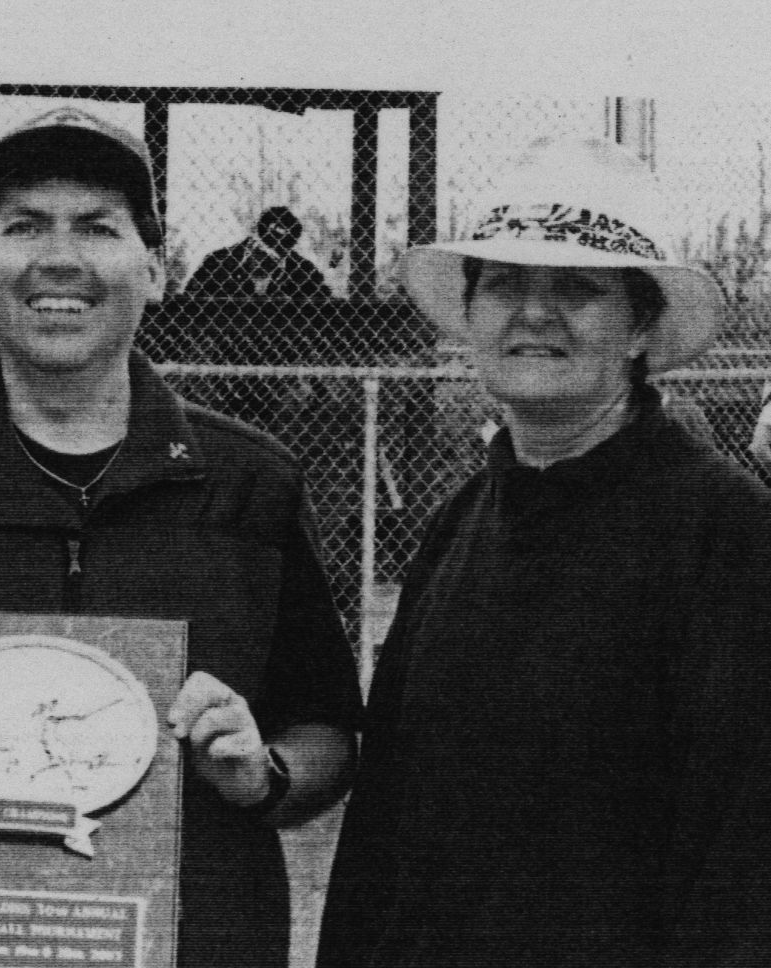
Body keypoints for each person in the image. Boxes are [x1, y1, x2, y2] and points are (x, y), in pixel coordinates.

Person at [0, 106, 361, 968]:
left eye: (96, 226)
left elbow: (328, 732)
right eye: (22, 226)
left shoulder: (251, 486)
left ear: (156, 269)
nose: (58, 257)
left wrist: (261, 772)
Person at [317, 137, 771, 968]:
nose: (532, 312)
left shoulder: (726, 534)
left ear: (639, 326)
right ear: (472, 313)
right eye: (504, 284)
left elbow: (741, 864)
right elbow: (383, 823)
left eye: (576, 288)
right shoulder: (460, 522)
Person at [186, 205, 330, 300]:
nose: (266, 259)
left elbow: (326, 306)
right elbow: (188, 302)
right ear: (253, 239)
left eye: (276, 257)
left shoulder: (304, 271)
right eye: (262, 250)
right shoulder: (217, 263)